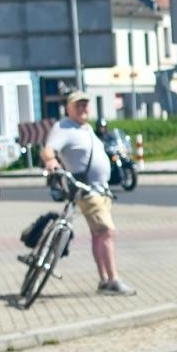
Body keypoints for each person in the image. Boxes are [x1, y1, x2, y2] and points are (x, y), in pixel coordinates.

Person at [41, 89, 136, 295]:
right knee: (107, 232)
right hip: (86, 190)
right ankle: (113, 280)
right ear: (69, 108)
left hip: (100, 190)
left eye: (85, 104)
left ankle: (103, 279)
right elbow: (49, 149)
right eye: (78, 105)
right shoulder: (64, 127)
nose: (83, 108)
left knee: (98, 235)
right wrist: (51, 162)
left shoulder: (85, 128)